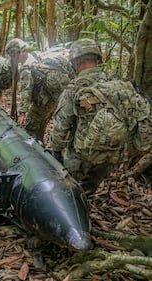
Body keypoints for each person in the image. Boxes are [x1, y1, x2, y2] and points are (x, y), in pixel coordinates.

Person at [50, 38, 118, 194]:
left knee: (73, 191)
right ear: (98, 59)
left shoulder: (74, 88)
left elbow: (61, 126)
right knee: (90, 186)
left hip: (83, 157)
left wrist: (56, 151)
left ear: (76, 61)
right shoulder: (114, 82)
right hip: (110, 154)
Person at [5, 38, 74, 142]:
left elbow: (26, 91)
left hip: (45, 98)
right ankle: (40, 142)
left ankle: (35, 150)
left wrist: (22, 113)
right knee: (41, 123)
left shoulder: (25, 68)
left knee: (31, 128)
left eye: (12, 55)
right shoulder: (35, 55)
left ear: (16, 53)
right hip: (56, 96)